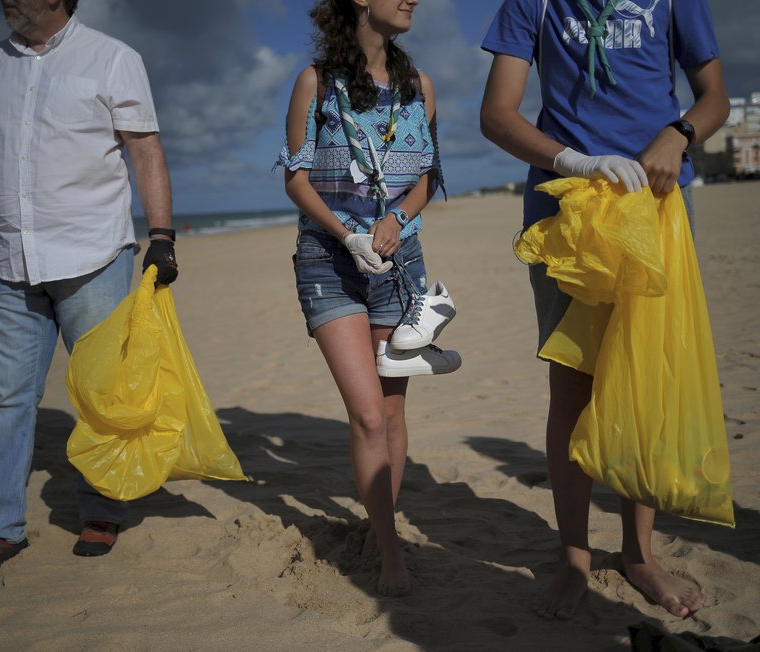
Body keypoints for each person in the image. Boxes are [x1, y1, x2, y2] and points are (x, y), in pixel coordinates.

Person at [479, 0, 730, 619]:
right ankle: (574, 557)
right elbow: (497, 114)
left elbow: (715, 96)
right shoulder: (531, 3)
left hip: (658, 207)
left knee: (644, 379)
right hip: (565, 208)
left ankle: (639, 555)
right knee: (572, 388)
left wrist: (679, 133)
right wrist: (574, 159)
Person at [0, 0, 178, 586]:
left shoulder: (113, 58)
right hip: (5, 259)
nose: (7, 1)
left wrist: (162, 235)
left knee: (99, 394)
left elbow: (144, 149)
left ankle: (99, 511)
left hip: (93, 254)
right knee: (8, 398)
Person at [277, 0, 454, 596]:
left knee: (395, 411)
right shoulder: (316, 82)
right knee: (368, 412)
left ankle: (382, 533)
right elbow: (295, 175)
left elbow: (427, 175)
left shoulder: (418, 85)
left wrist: (397, 219)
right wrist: (346, 233)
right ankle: (389, 553)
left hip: (399, 264)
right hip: (329, 261)